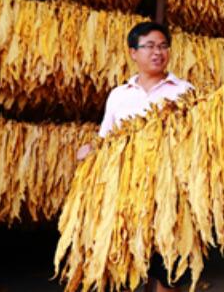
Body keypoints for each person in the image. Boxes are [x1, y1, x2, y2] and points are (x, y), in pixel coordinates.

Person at [77, 21, 193, 292]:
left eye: (163, 46)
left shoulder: (184, 90)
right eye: (150, 46)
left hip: (169, 192)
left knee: (169, 270)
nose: (158, 52)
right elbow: (106, 139)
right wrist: (89, 150)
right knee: (124, 265)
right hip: (126, 194)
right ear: (133, 52)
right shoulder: (119, 95)